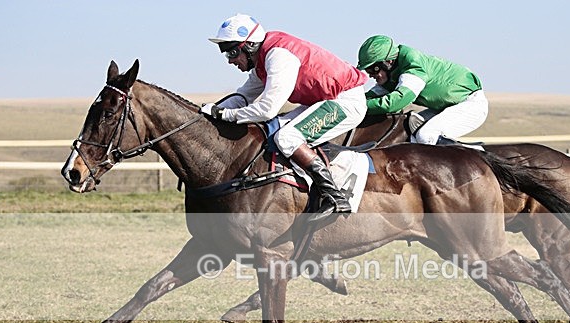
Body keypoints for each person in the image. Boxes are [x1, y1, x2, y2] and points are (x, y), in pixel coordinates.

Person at [204, 14, 368, 216]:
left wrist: (225, 114)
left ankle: (334, 196)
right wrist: (209, 112)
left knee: (287, 138)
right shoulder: (262, 62)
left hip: (346, 101)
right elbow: (243, 97)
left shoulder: (278, 56)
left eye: (232, 52)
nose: (230, 61)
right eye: (226, 54)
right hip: (323, 101)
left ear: (250, 46)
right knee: (272, 129)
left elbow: (267, 109)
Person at [356, 35, 488, 145]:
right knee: (408, 130)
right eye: (367, 70)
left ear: (388, 62)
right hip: (445, 107)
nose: (370, 75)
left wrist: (359, 106)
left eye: (373, 69)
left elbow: (395, 103)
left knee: (426, 135)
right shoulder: (392, 74)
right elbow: (368, 97)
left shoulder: (414, 67)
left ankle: (478, 158)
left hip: (470, 105)